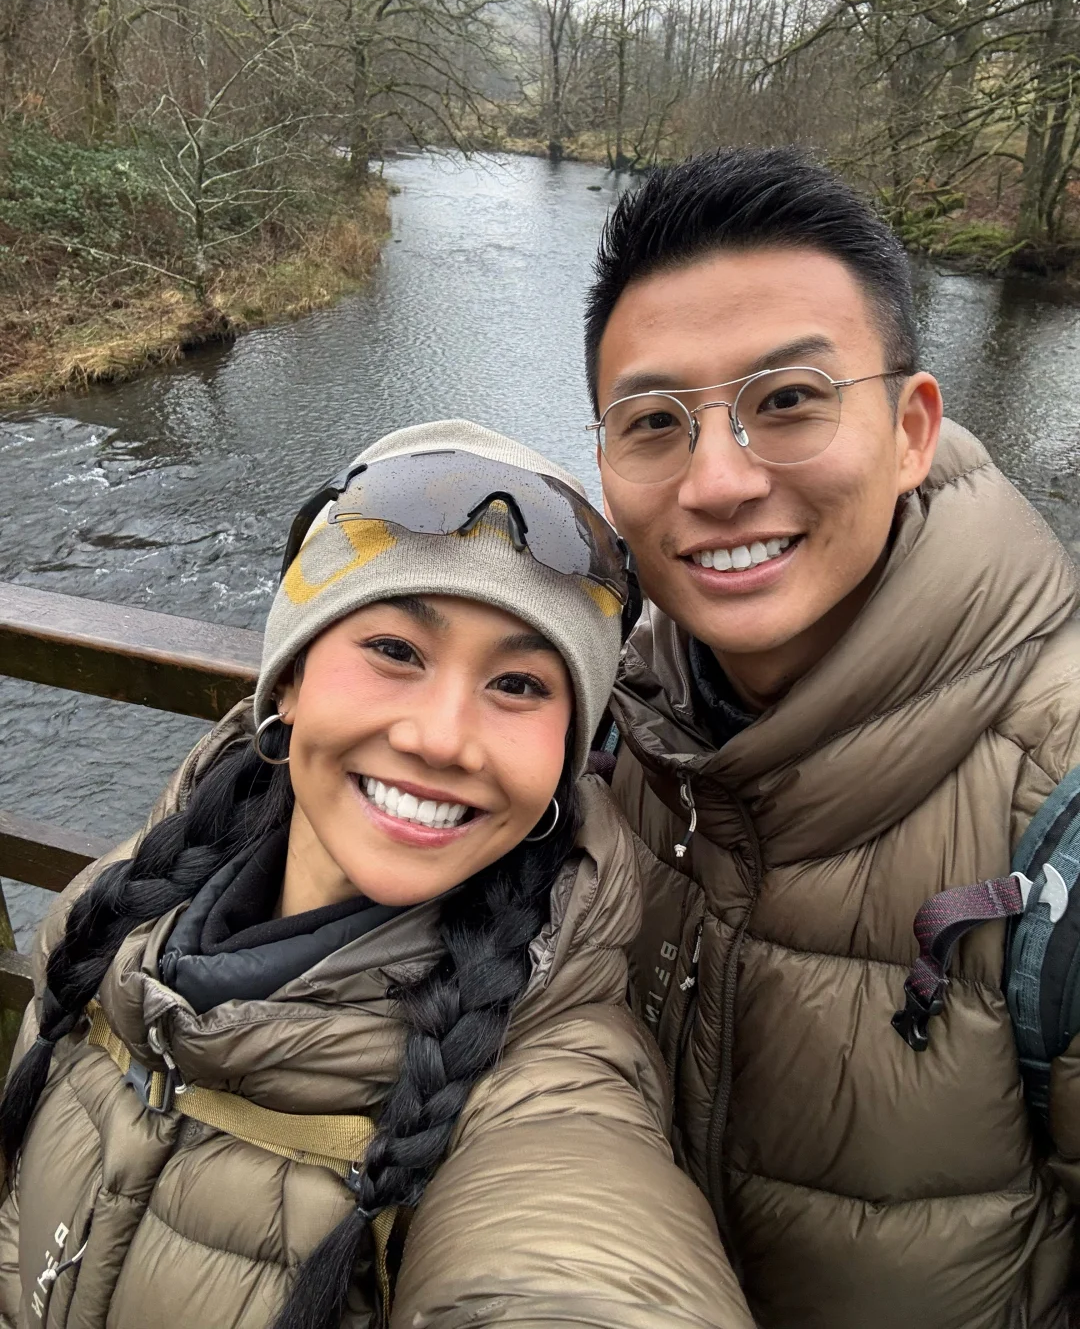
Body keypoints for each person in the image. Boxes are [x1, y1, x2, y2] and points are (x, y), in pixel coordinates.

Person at [0, 421, 754, 1329]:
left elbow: (581, 1255)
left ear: (565, 759)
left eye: (519, 685)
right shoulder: (108, 916)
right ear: (288, 681)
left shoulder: (544, 1083)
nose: (440, 737)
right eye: (396, 651)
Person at [586, 147, 1080, 1329]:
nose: (717, 482)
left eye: (789, 401)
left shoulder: (1059, 823)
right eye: (654, 422)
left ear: (912, 430)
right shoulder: (605, 720)